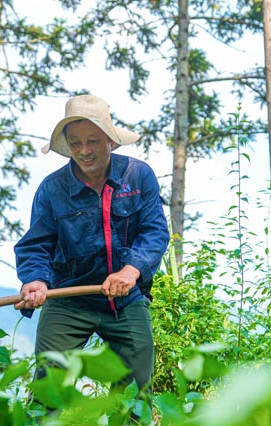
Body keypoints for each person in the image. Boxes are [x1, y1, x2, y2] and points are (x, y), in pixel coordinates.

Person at [14, 94, 170, 400]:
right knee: (47, 392)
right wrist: (35, 280)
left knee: (136, 394)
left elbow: (155, 232)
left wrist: (131, 271)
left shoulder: (138, 176)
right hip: (68, 299)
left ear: (110, 140)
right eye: (75, 143)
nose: (84, 151)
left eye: (93, 141)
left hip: (125, 300)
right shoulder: (52, 189)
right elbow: (36, 245)